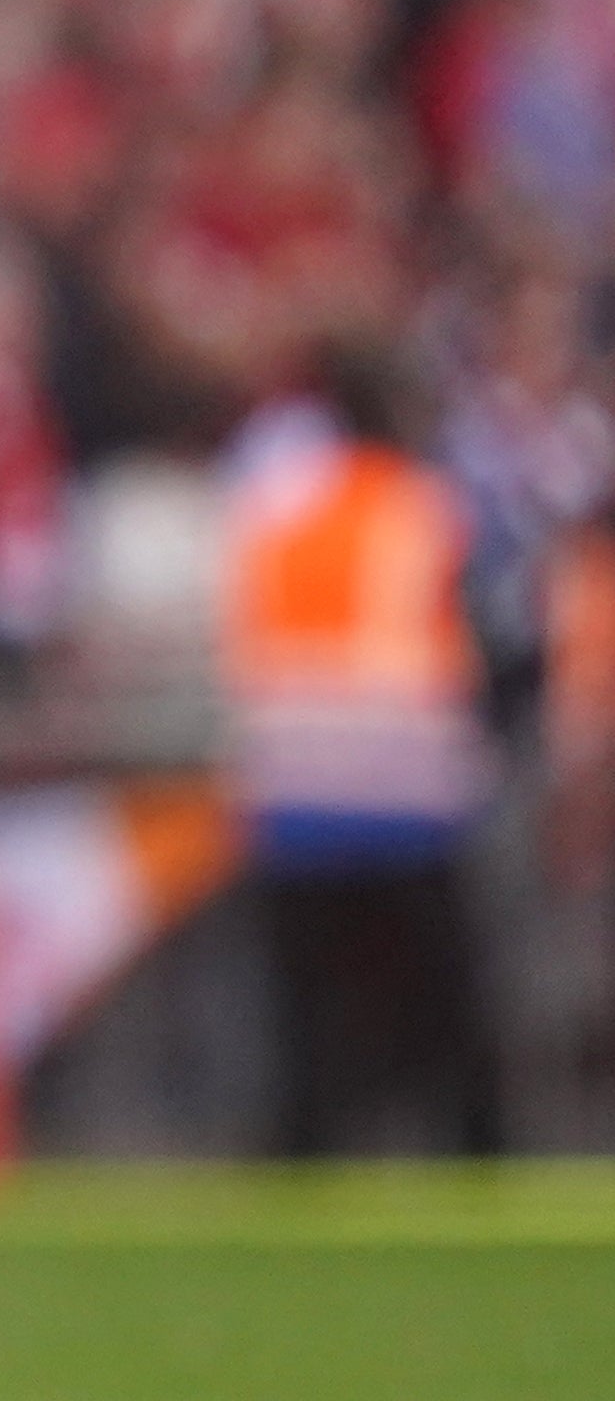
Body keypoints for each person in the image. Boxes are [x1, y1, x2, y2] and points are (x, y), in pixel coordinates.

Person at [221, 361, 498, 1155]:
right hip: (402, 779)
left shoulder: (274, 505)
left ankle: (302, 1147)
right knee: (443, 991)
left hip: (296, 777)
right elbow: (454, 633)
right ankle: (476, 1145)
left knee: (303, 997)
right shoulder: (413, 501)